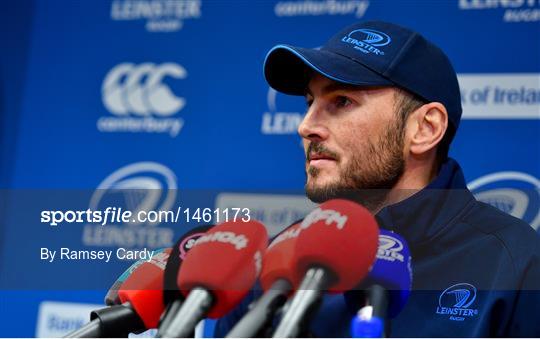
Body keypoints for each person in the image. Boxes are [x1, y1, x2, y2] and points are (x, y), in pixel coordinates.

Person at [215, 20, 540, 337]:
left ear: (425, 129)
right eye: (310, 102)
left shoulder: (515, 266)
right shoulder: (275, 269)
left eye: (342, 101)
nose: (305, 126)